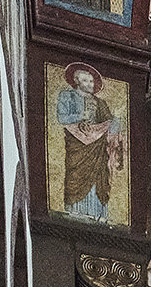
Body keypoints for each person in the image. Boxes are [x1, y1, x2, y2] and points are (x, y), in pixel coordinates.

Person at [54, 63, 126, 222]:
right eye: (86, 81)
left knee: (100, 176)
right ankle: (76, 211)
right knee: (76, 174)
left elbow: (108, 122)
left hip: (98, 147)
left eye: (91, 81)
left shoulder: (100, 103)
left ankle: (97, 213)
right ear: (77, 81)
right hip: (77, 144)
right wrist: (80, 119)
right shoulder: (67, 96)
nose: (90, 84)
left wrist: (117, 121)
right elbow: (62, 117)